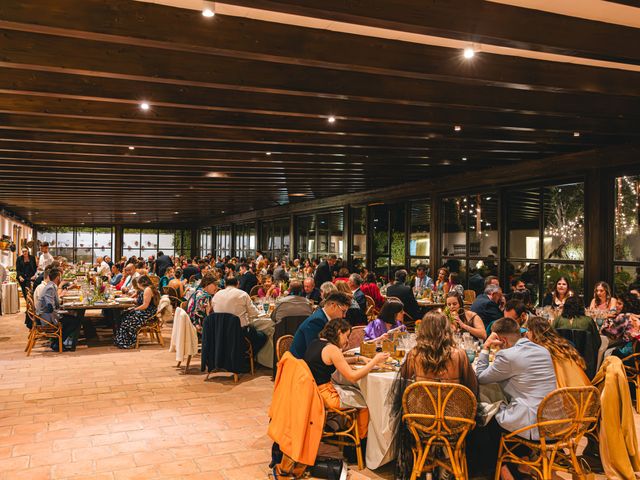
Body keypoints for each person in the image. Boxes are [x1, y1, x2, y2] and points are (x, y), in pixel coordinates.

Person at [475, 317, 557, 475]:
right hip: (555, 421)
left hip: (534, 425)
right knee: (500, 410)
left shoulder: (508, 356)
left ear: (502, 340)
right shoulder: (542, 350)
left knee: (483, 417)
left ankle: (505, 472)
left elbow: (481, 377)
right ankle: (523, 460)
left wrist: (486, 347)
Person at [304, 318, 389, 443]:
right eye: (347, 336)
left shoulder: (316, 343)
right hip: (325, 395)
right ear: (339, 332)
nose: (347, 341)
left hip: (312, 391)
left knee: (355, 391)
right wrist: (375, 361)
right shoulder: (332, 349)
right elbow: (352, 376)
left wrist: (358, 359)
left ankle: (347, 432)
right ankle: (360, 442)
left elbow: (336, 361)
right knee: (366, 401)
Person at [527, 316, 590, 387]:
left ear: (534, 332)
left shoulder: (541, 350)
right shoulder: (562, 345)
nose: (526, 333)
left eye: (528, 330)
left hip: (563, 394)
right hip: (585, 391)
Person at [210, 276, 267, 354]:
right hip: (239, 332)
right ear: (238, 284)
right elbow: (254, 313)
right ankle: (248, 358)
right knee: (262, 337)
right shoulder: (243, 294)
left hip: (220, 331)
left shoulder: (216, 295)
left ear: (225, 284)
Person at [289, 291, 351, 359]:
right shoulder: (316, 321)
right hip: (302, 364)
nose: (344, 316)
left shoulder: (323, 317)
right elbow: (315, 351)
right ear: (333, 306)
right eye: (343, 311)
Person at [36, 268, 81, 351]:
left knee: (73, 318)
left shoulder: (51, 286)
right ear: (57, 278)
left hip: (47, 315)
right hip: (46, 318)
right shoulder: (50, 288)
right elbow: (50, 308)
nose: (61, 279)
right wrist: (62, 314)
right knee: (75, 321)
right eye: (60, 277)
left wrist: (64, 312)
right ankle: (57, 343)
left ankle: (56, 342)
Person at [114, 275, 159, 349]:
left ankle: (128, 342)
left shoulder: (148, 289)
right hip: (144, 310)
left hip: (147, 313)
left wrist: (134, 309)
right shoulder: (144, 289)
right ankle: (122, 340)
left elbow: (145, 305)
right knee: (123, 315)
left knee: (127, 319)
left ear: (142, 283)